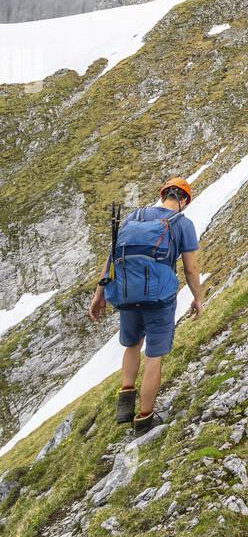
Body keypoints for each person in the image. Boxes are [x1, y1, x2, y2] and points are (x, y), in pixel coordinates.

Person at [89, 177, 203, 435]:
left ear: (163, 194)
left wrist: (100, 294)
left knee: (131, 345)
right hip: (160, 298)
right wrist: (198, 297)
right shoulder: (182, 224)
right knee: (154, 356)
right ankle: (144, 418)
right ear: (184, 200)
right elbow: (191, 268)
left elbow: (112, 256)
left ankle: (125, 400)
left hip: (127, 294)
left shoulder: (134, 217)